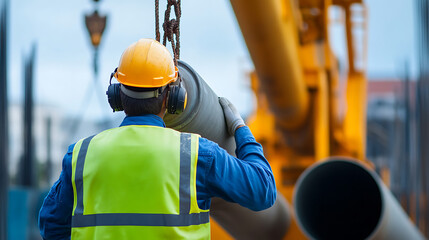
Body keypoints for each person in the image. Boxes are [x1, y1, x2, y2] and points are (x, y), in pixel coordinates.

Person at [38, 38, 276, 239]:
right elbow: (263, 191)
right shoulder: (196, 155)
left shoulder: (81, 155)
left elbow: (51, 224)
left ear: (117, 95)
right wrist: (240, 128)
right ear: (172, 97)